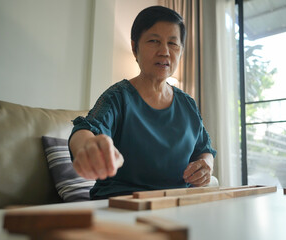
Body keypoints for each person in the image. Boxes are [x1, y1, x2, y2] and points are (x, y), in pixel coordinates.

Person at [69, 6, 216, 200]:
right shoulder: (117, 97)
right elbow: (86, 129)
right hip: (122, 203)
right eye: (154, 41)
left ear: (180, 51)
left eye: (173, 44)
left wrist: (206, 166)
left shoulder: (188, 104)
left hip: (177, 203)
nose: (164, 51)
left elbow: (204, 150)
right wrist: (87, 146)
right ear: (134, 47)